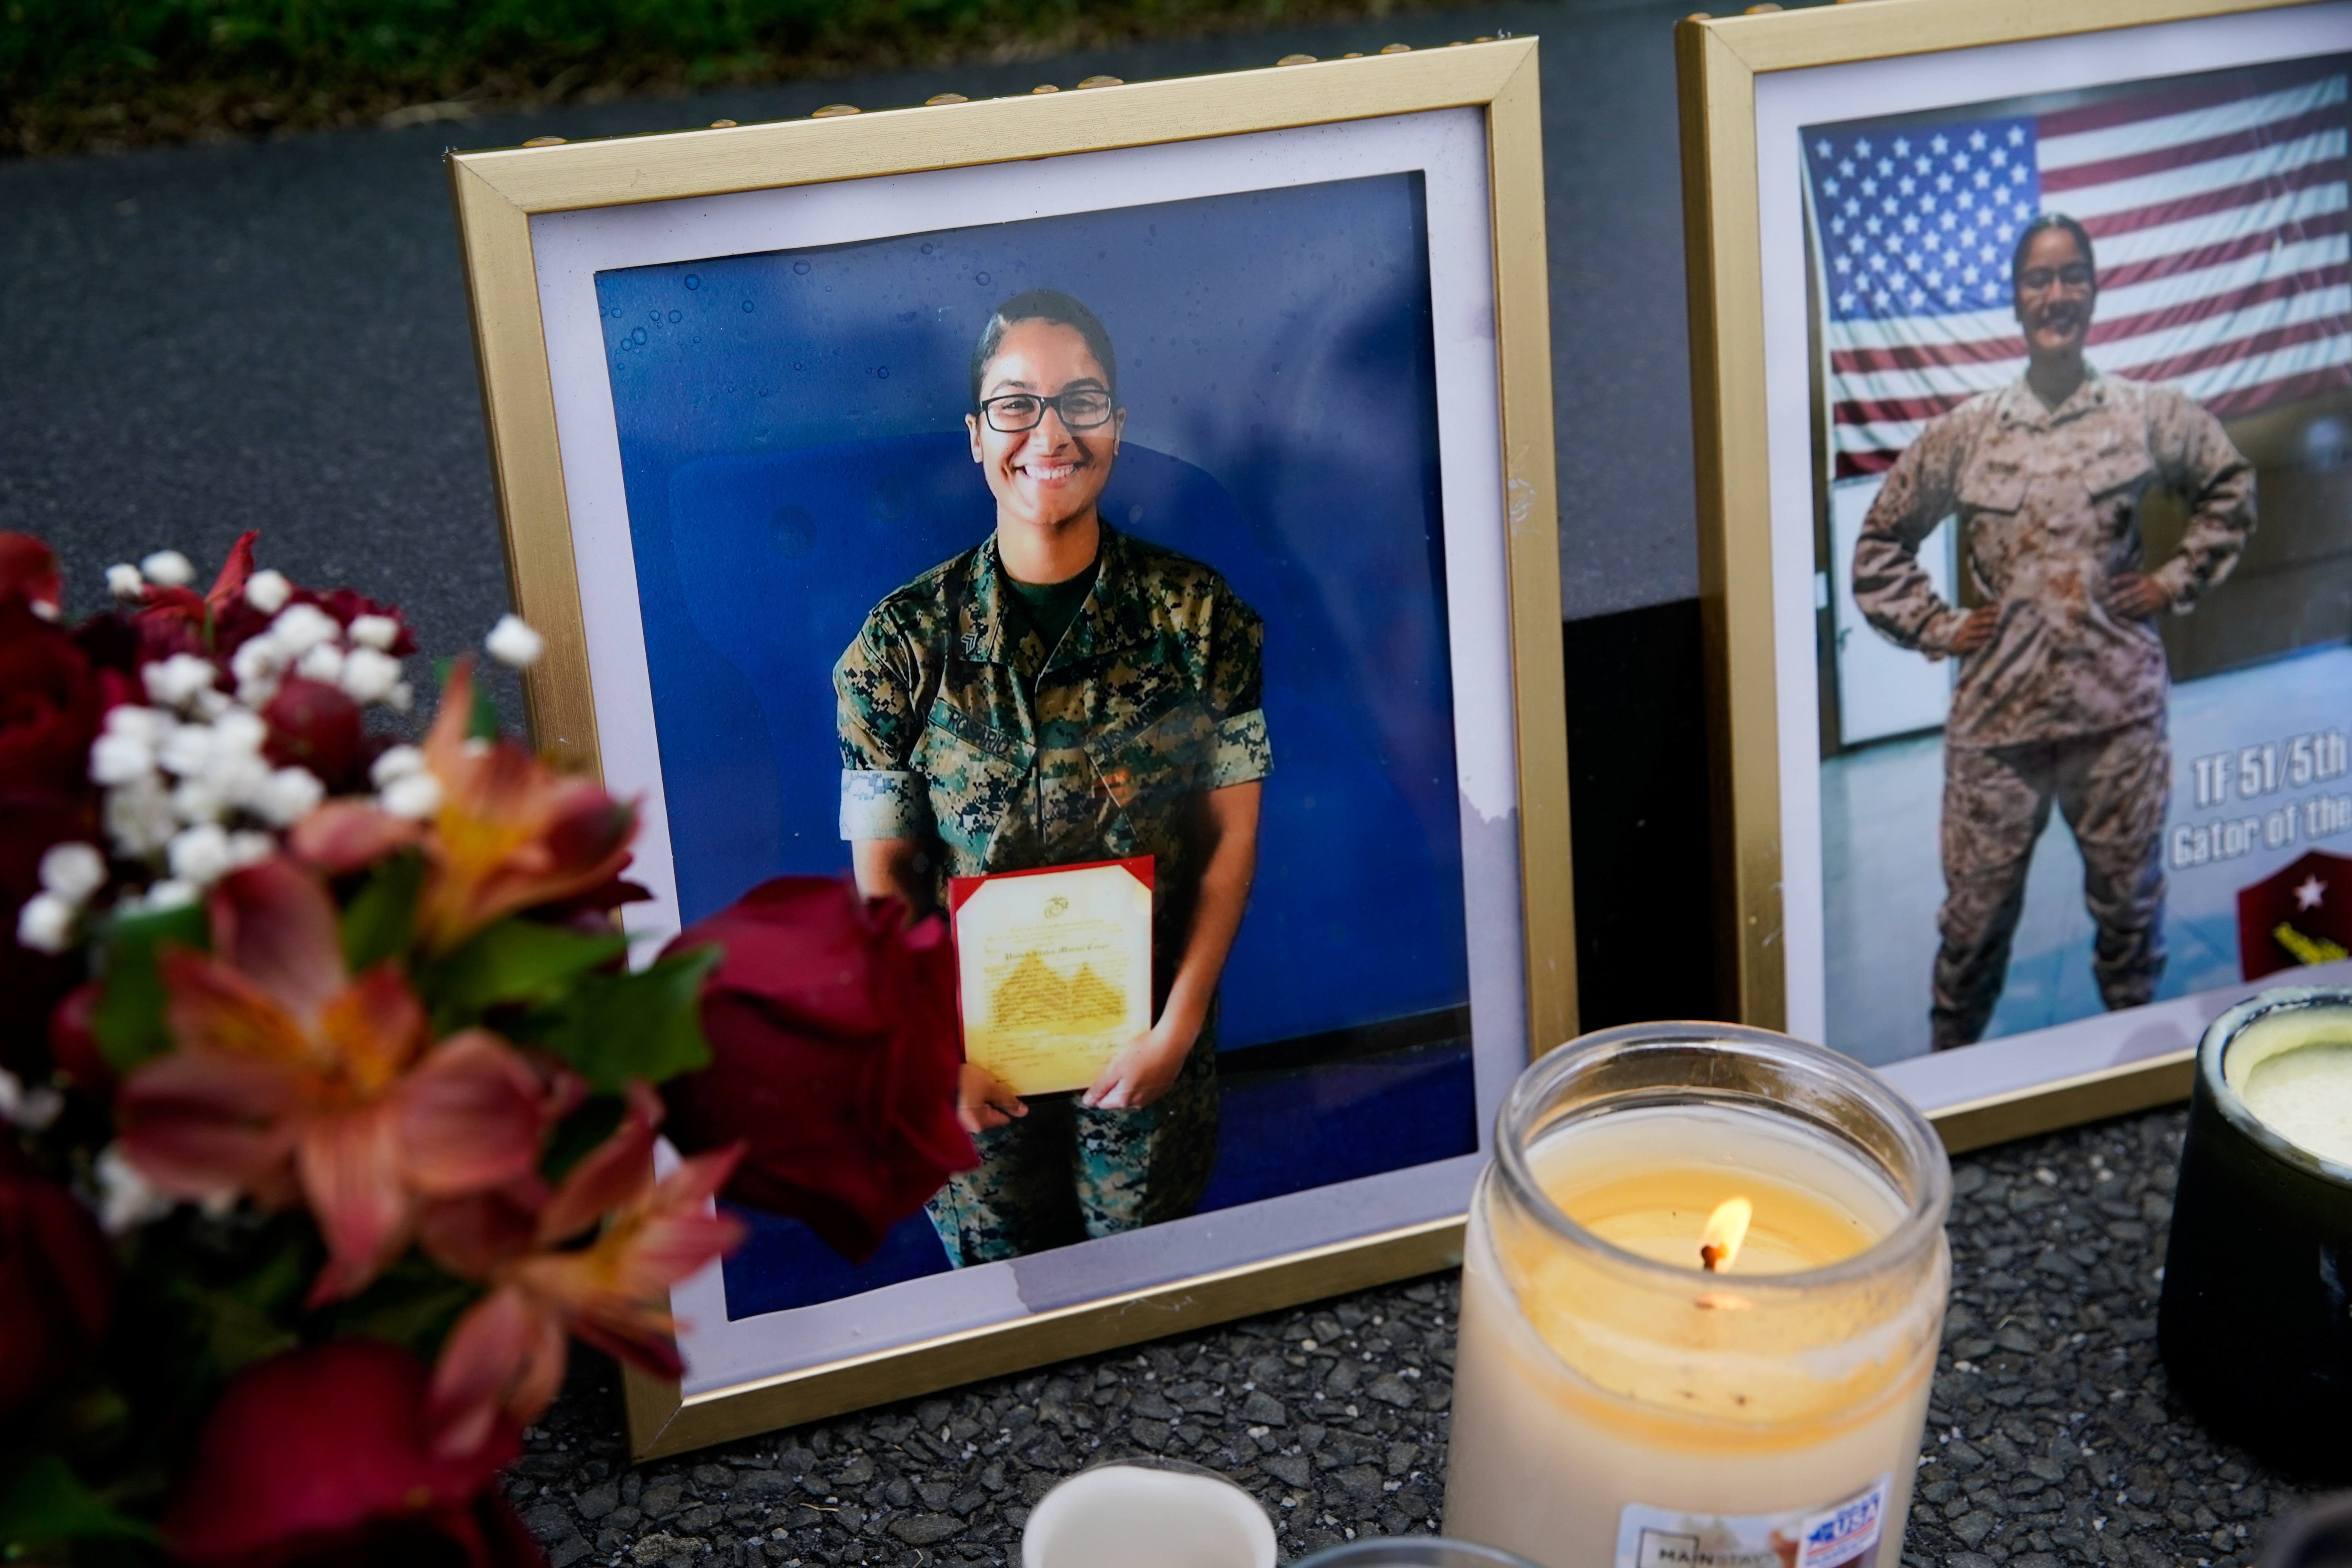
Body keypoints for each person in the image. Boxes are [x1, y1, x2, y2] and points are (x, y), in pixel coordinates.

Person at [833, 288, 1273, 1265]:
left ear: (1117, 423)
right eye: (1015, 403)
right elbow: (883, 882)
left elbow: (1231, 837)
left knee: (1143, 1287)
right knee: (1001, 1305)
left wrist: (1181, 1022)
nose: (1051, 431)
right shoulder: (898, 647)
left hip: (1147, 1047)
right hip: (973, 1064)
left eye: (1083, 399)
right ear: (976, 435)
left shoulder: (1201, 622)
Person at [1852, 213, 2256, 1050]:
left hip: (2119, 725)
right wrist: (1938, 624)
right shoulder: (1968, 434)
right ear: (2015, 298)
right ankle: (1950, 1092)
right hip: (2000, 734)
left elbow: (2229, 486)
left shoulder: (2145, 415)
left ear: (2095, 289)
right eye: (2039, 279)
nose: (2056, 293)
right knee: (1971, 930)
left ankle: (2133, 1090)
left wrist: (2174, 580)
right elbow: (1880, 545)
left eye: (2072, 275)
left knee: (2131, 919)